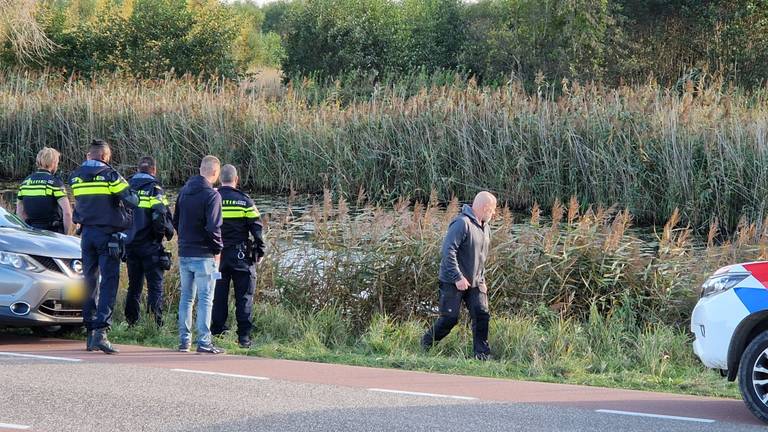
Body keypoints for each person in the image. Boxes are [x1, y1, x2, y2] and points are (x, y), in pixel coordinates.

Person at [70, 139, 138, 354]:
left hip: (86, 234)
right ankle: (101, 331)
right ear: (105, 157)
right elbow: (132, 199)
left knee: (88, 281)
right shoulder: (110, 175)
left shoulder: (75, 176)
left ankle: (89, 333)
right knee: (109, 281)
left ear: (88, 155)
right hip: (107, 235)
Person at [421, 191, 497, 360]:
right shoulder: (461, 223)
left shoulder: (485, 227)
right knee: (449, 318)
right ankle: (426, 344)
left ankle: (481, 355)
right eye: (492, 209)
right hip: (452, 280)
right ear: (485, 207)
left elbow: (481, 257)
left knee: (482, 314)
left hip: (475, 283)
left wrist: (482, 279)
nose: (494, 213)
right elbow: (448, 251)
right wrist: (457, 277)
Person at [173, 155, 225, 354]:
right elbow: (213, 227)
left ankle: (184, 340)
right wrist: (217, 249)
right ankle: (204, 341)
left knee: (186, 298)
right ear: (215, 172)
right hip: (204, 255)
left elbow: (176, 220)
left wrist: (185, 240)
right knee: (205, 298)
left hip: (185, 251)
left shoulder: (184, 192)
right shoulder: (212, 195)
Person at [211, 164, 265, 349]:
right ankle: (244, 337)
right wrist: (260, 250)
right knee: (244, 296)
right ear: (236, 179)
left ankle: (217, 332)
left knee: (218, 295)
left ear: (220, 179)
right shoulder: (244, 200)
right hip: (240, 255)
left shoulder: (212, 197)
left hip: (217, 256)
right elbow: (257, 227)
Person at [124, 156, 175, 327]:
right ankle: (155, 324)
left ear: (138, 169)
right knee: (155, 286)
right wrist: (164, 234)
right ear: (154, 170)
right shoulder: (155, 188)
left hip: (130, 244)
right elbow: (161, 216)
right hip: (150, 245)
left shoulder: (126, 187)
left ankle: (132, 323)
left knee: (134, 286)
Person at [16, 147, 73, 234]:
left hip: (31, 232)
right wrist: (66, 235)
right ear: (53, 163)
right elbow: (67, 213)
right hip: (53, 233)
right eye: (57, 163)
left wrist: (26, 231)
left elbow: (20, 212)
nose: (57, 165)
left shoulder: (25, 182)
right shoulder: (54, 183)